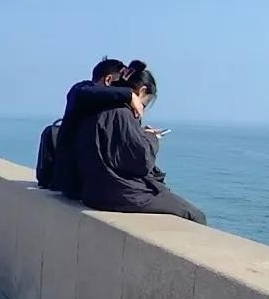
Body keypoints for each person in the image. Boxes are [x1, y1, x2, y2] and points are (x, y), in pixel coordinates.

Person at [73, 63, 207, 224]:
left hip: (92, 192)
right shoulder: (122, 113)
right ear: (142, 91)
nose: (140, 110)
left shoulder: (91, 108)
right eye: (144, 104)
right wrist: (152, 138)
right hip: (119, 194)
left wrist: (138, 133)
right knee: (195, 215)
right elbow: (141, 161)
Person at [47, 58, 146, 199]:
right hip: (74, 182)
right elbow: (84, 92)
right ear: (108, 80)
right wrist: (129, 95)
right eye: (119, 85)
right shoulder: (81, 91)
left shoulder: (101, 103)